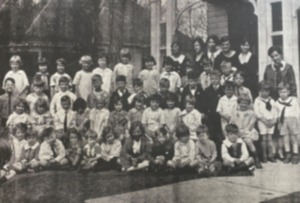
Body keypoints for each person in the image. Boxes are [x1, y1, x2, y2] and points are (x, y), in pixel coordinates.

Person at [231, 95, 261, 169]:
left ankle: (256, 158)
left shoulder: (252, 113)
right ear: (239, 103)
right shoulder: (235, 112)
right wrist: (237, 132)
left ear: (249, 104)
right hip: (237, 131)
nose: (243, 105)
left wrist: (243, 133)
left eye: (246, 103)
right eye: (242, 103)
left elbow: (251, 125)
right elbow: (233, 124)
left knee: (248, 141)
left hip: (248, 132)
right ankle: (237, 159)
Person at [275, 82, 300, 164]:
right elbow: (277, 113)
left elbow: (297, 111)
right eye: (281, 92)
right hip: (282, 120)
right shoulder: (277, 102)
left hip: (292, 120)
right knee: (285, 138)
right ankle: (288, 153)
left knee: (293, 138)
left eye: (285, 92)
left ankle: (295, 154)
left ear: (289, 92)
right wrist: (278, 122)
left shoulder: (293, 100)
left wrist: (298, 121)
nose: (282, 94)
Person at [254, 81, 277, 162]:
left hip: (271, 122)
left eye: (266, 91)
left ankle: (270, 155)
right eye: (262, 91)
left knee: (270, 139)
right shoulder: (257, 100)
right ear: (259, 91)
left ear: (269, 92)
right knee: (264, 139)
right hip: (262, 122)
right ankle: (264, 156)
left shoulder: (272, 100)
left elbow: (275, 111)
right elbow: (256, 112)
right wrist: (264, 120)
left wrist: (274, 120)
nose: (264, 93)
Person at [203, 70, 224, 158]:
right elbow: (203, 104)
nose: (214, 80)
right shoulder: (207, 90)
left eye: (216, 79)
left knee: (220, 136)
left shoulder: (223, 90)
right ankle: (210, 155)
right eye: (212, 79)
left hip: (220, 117)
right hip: (210, 117)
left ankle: (220, 155)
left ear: (220, 79)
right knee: (211, 136)